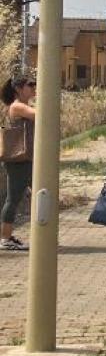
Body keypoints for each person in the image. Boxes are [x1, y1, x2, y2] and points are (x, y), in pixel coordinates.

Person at [0, 73, 36, 252]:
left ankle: (39, 234)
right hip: (18, 160)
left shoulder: (23, 106)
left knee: (39, 194)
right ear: (18, 89)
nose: (34, 88)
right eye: (30, 85)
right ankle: (5, 238)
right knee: (13, 198)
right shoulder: (17, 107)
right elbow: (41, 116)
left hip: (26, 158)